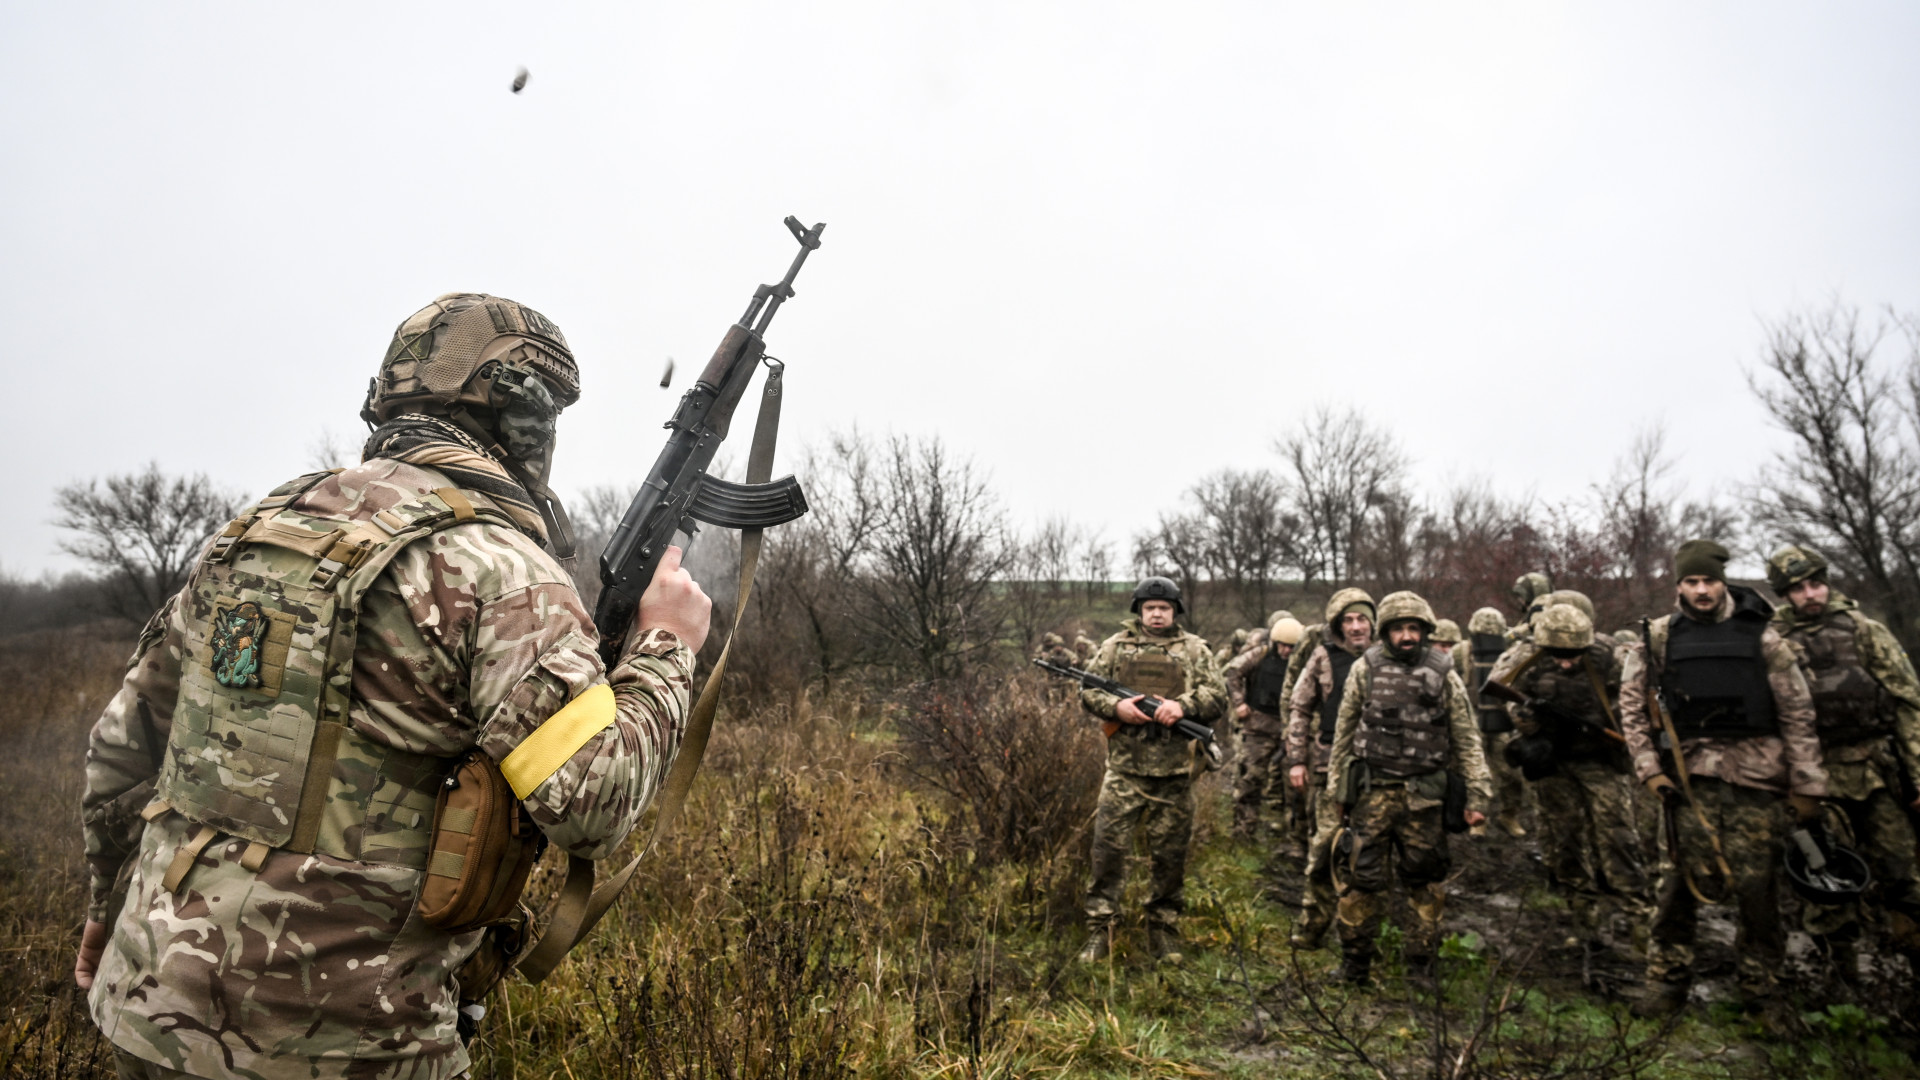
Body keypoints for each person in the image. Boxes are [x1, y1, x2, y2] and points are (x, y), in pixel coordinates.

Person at [75, 293, 713, 1080]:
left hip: (146, 1013)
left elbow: (120, 752)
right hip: (348, 1046)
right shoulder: (500, 568)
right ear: (524, 413)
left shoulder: (256, 531)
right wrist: (665, 646)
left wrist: (105, 913)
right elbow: (593, 806)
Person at [1618, 540, 1827, 1017]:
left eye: (1708, 580)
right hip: (1686, 785)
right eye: (1691, 582)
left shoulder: (1763, 637)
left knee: (1759, 892)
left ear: (1722, 581)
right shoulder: (1657, 638)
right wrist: (1650, 771)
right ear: (1679, 586)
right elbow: (1631, 710)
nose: (1701, 590)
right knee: (1675, 890)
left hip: (1757, 782)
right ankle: (1666, 984)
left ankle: (1762, 989)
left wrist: (1808, 784)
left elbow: (1797, 712)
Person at [1766, 544, 1920, 975]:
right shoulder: (1773, 642)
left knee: (1902, 870)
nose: (1810, 594)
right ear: (1784, 594)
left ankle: (1909, 977)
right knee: (1824, 877)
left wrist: (1918, 777)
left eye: (1816, 584)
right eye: (1798, 589)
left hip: (1876, 770)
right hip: (1813, 776)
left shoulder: (1866, 631)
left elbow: (1909, 705)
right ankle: (1842, 976)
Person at [1325, 591, 1492, 984]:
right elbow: (1344, 730)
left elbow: (1467, 738)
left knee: (1425, 883)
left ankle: (1421, 968)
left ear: (1425, 631)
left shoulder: (1443, 672)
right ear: (1385, 632)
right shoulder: (1366, 669)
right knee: (1358, 880)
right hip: (1372, 794)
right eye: (1398, 628)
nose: (1406, 636)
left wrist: (1478, 794)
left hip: (1425, 799)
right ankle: (1354, 966)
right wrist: (1336, 788)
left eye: (1413, 628)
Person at [1078, 576, 1228, 964]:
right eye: (1149, 608)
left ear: (1175, 611)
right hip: (1124, 772)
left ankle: (1163, 931)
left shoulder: (1196, 650)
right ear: (1139, 611)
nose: (1157, 614)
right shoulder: (1114, 647)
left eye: (1164, 608)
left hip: (1175, 774)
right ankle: (1100, 930)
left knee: (1169, 857)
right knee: (1107, 852)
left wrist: (1183, 706)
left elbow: (1218, 696)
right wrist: (1116, 709)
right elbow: (1088, 691)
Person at [1488, 604, 1650, 951]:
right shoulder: (1525, 656)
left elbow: (1638, 695)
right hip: (1554, 762)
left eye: (1573, 655)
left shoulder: (1611, 655)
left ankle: (1640, 922)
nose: (1565, 663)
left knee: (1618, 837)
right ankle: (1584, 921)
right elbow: (1499, 688)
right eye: (1558, 655)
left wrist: (1617, 722)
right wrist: (1524, 716)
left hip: (1600, 760)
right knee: (1565, 842)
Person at [1283, 588, 1376, 949]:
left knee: (1370, 852)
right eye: (1348, 620)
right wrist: (1296, 759)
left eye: (1361, 619)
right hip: (1327, 768)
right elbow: (1299, 708)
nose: (1356, 627)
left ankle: (1363, 931)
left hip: (1377, 769)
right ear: (1338, 625)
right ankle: (1312, 926)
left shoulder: (1386, 658)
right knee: (1324, 849)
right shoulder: (1323, 657)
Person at [1223, 613, 1304, 840]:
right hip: (1258, 729)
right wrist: (1239, 702)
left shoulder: (1302, 661)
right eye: (1283, 646)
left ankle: (1294, 838)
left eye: (1291, 647)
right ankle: (1243, 833)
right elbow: (1232, 672)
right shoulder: (1261, 655)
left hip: (1289, 730)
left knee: (1293, 787)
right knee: (1250, 781)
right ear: (1275, 642)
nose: (1287, 651)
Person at [1460, 607, 1529, 837]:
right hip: (1473, 724)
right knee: (1476, 776)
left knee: (1510, 775)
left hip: (1503, 724)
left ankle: (1509, 815)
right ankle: (1479, 819)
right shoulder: (1461, 652)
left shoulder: (1511, 652)